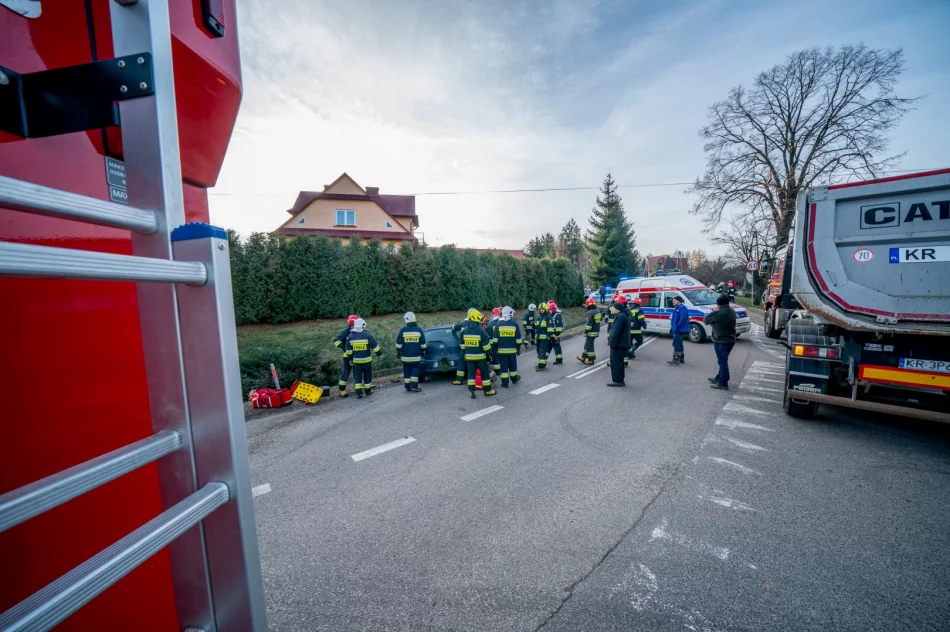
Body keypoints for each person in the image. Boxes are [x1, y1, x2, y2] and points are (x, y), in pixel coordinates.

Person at [460, 308, 497, 399]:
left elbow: (462, 345)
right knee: (484, 374)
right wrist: (491, 355)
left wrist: (465, 353)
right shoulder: (481, 331)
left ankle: (471, 391)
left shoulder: (464, 331)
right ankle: (487, 391)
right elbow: (486, 347)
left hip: (469, 358)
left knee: (471, 375)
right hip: (481, 358)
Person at [705, 294, 737, 390]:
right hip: (731, 340)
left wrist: (714, 312)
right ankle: (719, 377)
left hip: (720, 341)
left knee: (722, 362)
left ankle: (723, 383)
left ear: (718, 304)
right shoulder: (732, 311)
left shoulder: (718, 314)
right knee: (723, 360)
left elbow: (706, 320)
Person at [344, 318, 381, 399]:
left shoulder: (350, 337)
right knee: (367, 375)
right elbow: (375, 347)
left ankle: (358, 392)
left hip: (356, 362)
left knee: (357, 376)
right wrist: (379, 354)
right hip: (367, 361)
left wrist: (350, 359)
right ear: (363, 326)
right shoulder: (367, 335)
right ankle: (368, 391)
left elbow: (348, 350)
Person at [395, 311, 427, 393]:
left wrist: (398, 351)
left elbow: (399, 342)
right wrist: (423, 351)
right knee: (415, 371)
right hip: (416, 356)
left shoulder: (403, 329)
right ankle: (414, 386)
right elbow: (423, 343)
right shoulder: (419, 329)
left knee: (406, 371)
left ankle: (407, 386)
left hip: (405, 356)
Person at [493, 306, 523, 387]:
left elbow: (495, 339)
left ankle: (505, 383)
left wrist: (495, 349)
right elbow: (518, 339)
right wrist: (518, 349)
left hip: (501, 351)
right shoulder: (515, 324)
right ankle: (514, 379)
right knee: (513, 366)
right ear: (510, 314)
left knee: (504, 367)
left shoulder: (498, 324)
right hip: (512, 351)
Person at [332, 314, 359, 397]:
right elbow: (336, 341)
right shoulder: (346, 331)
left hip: (356, 355)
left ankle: (358, 388)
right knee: (346, 372)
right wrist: (344, 347)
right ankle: (341, 390)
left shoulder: (358, 330)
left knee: (357, 372)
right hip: (347, 356)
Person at [607, 302, 631, 386]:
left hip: (618, 345)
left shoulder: (620, 317)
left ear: (617, 309)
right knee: (620, 363)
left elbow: (615, 332)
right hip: (622, 344)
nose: (612, 309)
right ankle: (620, 380)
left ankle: (617, 381)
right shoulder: (623, 316)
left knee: (616, 363)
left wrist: (612, 343)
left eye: (613, 308)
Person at [577, 297, 601, 364]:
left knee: (589, 346)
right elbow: (600, 319)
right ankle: (583, 357)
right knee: (587, 345)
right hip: (596, 331)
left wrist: (585, 332)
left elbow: (589, 324)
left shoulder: (590, 312)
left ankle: (591, 360)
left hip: (591, 332)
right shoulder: (598, 311)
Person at [667, 295, 690, 365]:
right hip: (677, 329)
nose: (673, 302)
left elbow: (682, 319)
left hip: (679, 329)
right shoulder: (678, 308)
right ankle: (681, 359)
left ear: (679, 301)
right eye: (673, 300)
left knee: (676, 343)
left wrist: (677, 327)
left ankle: (676, 360)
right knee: (679, 344)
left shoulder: (682, 308)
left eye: (674, 300)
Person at [451, 316, 469, 385]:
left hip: (464, 348)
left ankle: (459, 380)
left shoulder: (462, 324)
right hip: (474, 349)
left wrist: (452, 325)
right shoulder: (477, 324)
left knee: (461, 363)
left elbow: (454, 327)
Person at [535, 302, 551, 371]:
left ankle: (541, 366)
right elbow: (536, 326)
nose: (541, 310)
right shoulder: (539, 317)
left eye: (542, 309)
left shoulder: (548, 317)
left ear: (546, 309)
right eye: (540, 309)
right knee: (538, 351)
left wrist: (549, 336)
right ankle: (543, 363)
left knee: (542, 351)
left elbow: (550, 328)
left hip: (544, 338)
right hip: (538, 338)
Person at [486, 307, 502, 374]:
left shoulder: (490, 323)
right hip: (501, 342)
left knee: (496, 356)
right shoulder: (501, 323)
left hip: (493, 343)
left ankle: (497, 371)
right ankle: (503, 368)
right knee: (501, 355)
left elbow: (488, 334)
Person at [548, 300, 564, 364]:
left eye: (550, 310)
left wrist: (557, 335)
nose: (549, 311)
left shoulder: (557, 316)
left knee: (557, 347)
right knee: (549, 346)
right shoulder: (552, 315)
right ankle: (544, 359)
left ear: (552, 310)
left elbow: (559, 327)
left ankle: (559, 360)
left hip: (555, 335)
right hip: (552, 335)